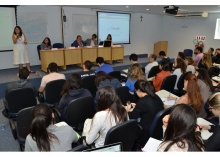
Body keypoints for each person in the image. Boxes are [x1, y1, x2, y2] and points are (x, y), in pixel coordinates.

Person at [128, 80, 164, 147]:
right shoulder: (156, 96)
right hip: (158, 129)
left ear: (139, 90)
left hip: (145, 132)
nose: (136, 93)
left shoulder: (142, 101)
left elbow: (132, 117)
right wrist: (138, 107)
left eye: (135, 91)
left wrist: (128, 110)